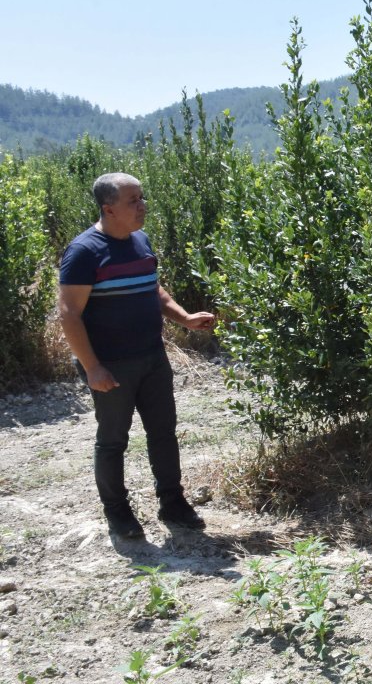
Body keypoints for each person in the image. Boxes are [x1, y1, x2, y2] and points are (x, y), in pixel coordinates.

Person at [58, 173, 215, 539]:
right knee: (113, 439)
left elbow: (153, 289)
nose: (143, 205)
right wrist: (92, 367)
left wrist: (185, 318)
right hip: (111, 366)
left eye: (142, 197)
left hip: (152, 358)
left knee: (163, 432)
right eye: (133, 200)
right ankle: (118, 512)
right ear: (109, 209)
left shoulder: (140, 241)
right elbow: (69, 314)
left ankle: (173, 502)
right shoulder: (84, 251)